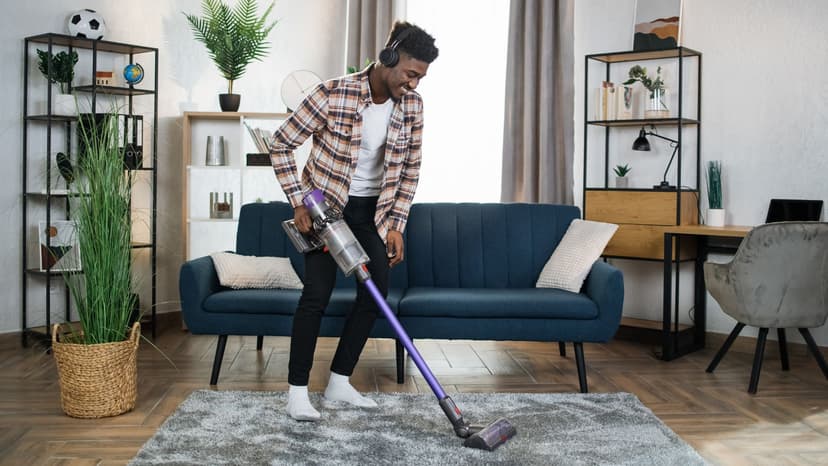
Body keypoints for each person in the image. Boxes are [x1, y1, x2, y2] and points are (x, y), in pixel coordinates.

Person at [270, 21, 438, 421]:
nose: (414, 84)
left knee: (375, 292)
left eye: (421, 78)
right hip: (323, 210)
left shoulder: (412, 107)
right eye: (411, 74)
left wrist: (396, 224)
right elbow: (281, 143)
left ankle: (339, 382)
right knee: (317, 295)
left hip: (371, 214)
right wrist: (298, 201)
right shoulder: (332, 92)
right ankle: (297, 392)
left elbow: (410, 169)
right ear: (389, 58)